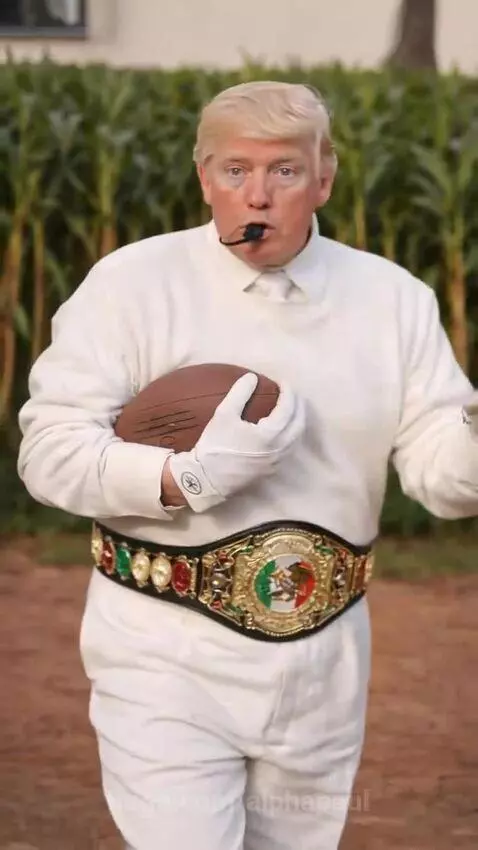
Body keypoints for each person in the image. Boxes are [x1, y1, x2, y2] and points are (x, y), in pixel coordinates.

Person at [17, 80, 478, 850]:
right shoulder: (133, 285)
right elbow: (49, 451)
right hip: (163, 651)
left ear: (324, 178)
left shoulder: (394, 300)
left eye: (284, 171)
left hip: (325, 661)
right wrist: (186, 476)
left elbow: (442, 477)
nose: (255, 193)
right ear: (204, 178)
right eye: (234, 170)